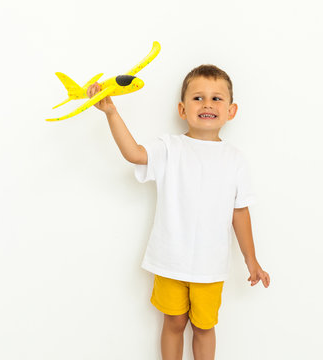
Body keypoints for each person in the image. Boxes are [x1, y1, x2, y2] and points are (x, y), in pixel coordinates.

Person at [87, 64, 270, 360]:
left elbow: (240, 212)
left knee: (203, 327)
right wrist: (111, 112)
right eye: (198, 98)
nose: (207, 104)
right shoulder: (170, 148)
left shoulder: (235, 160)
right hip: (169, 260)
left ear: (231, 110)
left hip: (209, 268)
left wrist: (252, 261)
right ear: (182, 109)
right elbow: (134, 153)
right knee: (173, 322)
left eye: (216, 98)